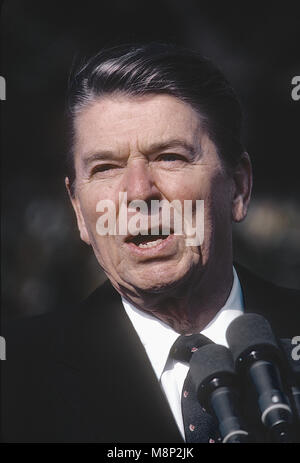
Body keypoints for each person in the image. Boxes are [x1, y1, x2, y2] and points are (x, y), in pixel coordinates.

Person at [2, 43, 299, 443]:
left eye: (170, 157)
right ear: (78, 211)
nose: (138, 191)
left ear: (238, 188)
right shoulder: (16, 377)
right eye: (105, 167)